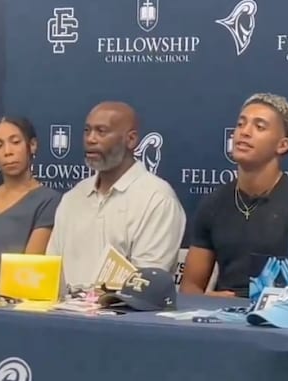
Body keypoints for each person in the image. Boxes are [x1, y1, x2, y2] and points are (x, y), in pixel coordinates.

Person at [180, 93, 288, 298]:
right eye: (241, 124)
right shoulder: (213, 204)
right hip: (220, 313)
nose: (244, 132)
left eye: (259, 127)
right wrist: (207, 300)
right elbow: (190, 287)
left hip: (281, 313)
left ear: (282, 145)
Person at [46, 101, 186, 289]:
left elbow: (145, 284)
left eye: (101, 131)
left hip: (123, 308)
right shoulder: (73, 197)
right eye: (87, 131)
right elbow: (51, 271)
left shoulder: (157, 199)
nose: (90, 139)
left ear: (131, 140)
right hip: (64, 307)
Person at [0, 116, 61, 285]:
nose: (7, 151)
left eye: (15, 142)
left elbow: (30, 270)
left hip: (11, 296)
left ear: (32, 145)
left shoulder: (48, 201)